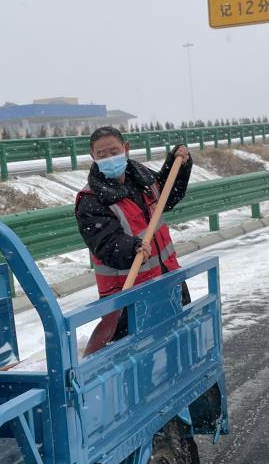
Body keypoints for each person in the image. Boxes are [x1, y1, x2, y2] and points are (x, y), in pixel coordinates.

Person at [74, 127, 192, 343]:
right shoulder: (91, 199)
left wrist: (178, 165)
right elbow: (106, 244)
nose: (109, 158)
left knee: (181, 344)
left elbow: (166, 194)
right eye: (101, 154)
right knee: (140, 356)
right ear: (93, 157)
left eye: (114, 152)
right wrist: (132, 247)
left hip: (168, 280)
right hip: (128, 297)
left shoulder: (141, 178)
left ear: (125, 148)